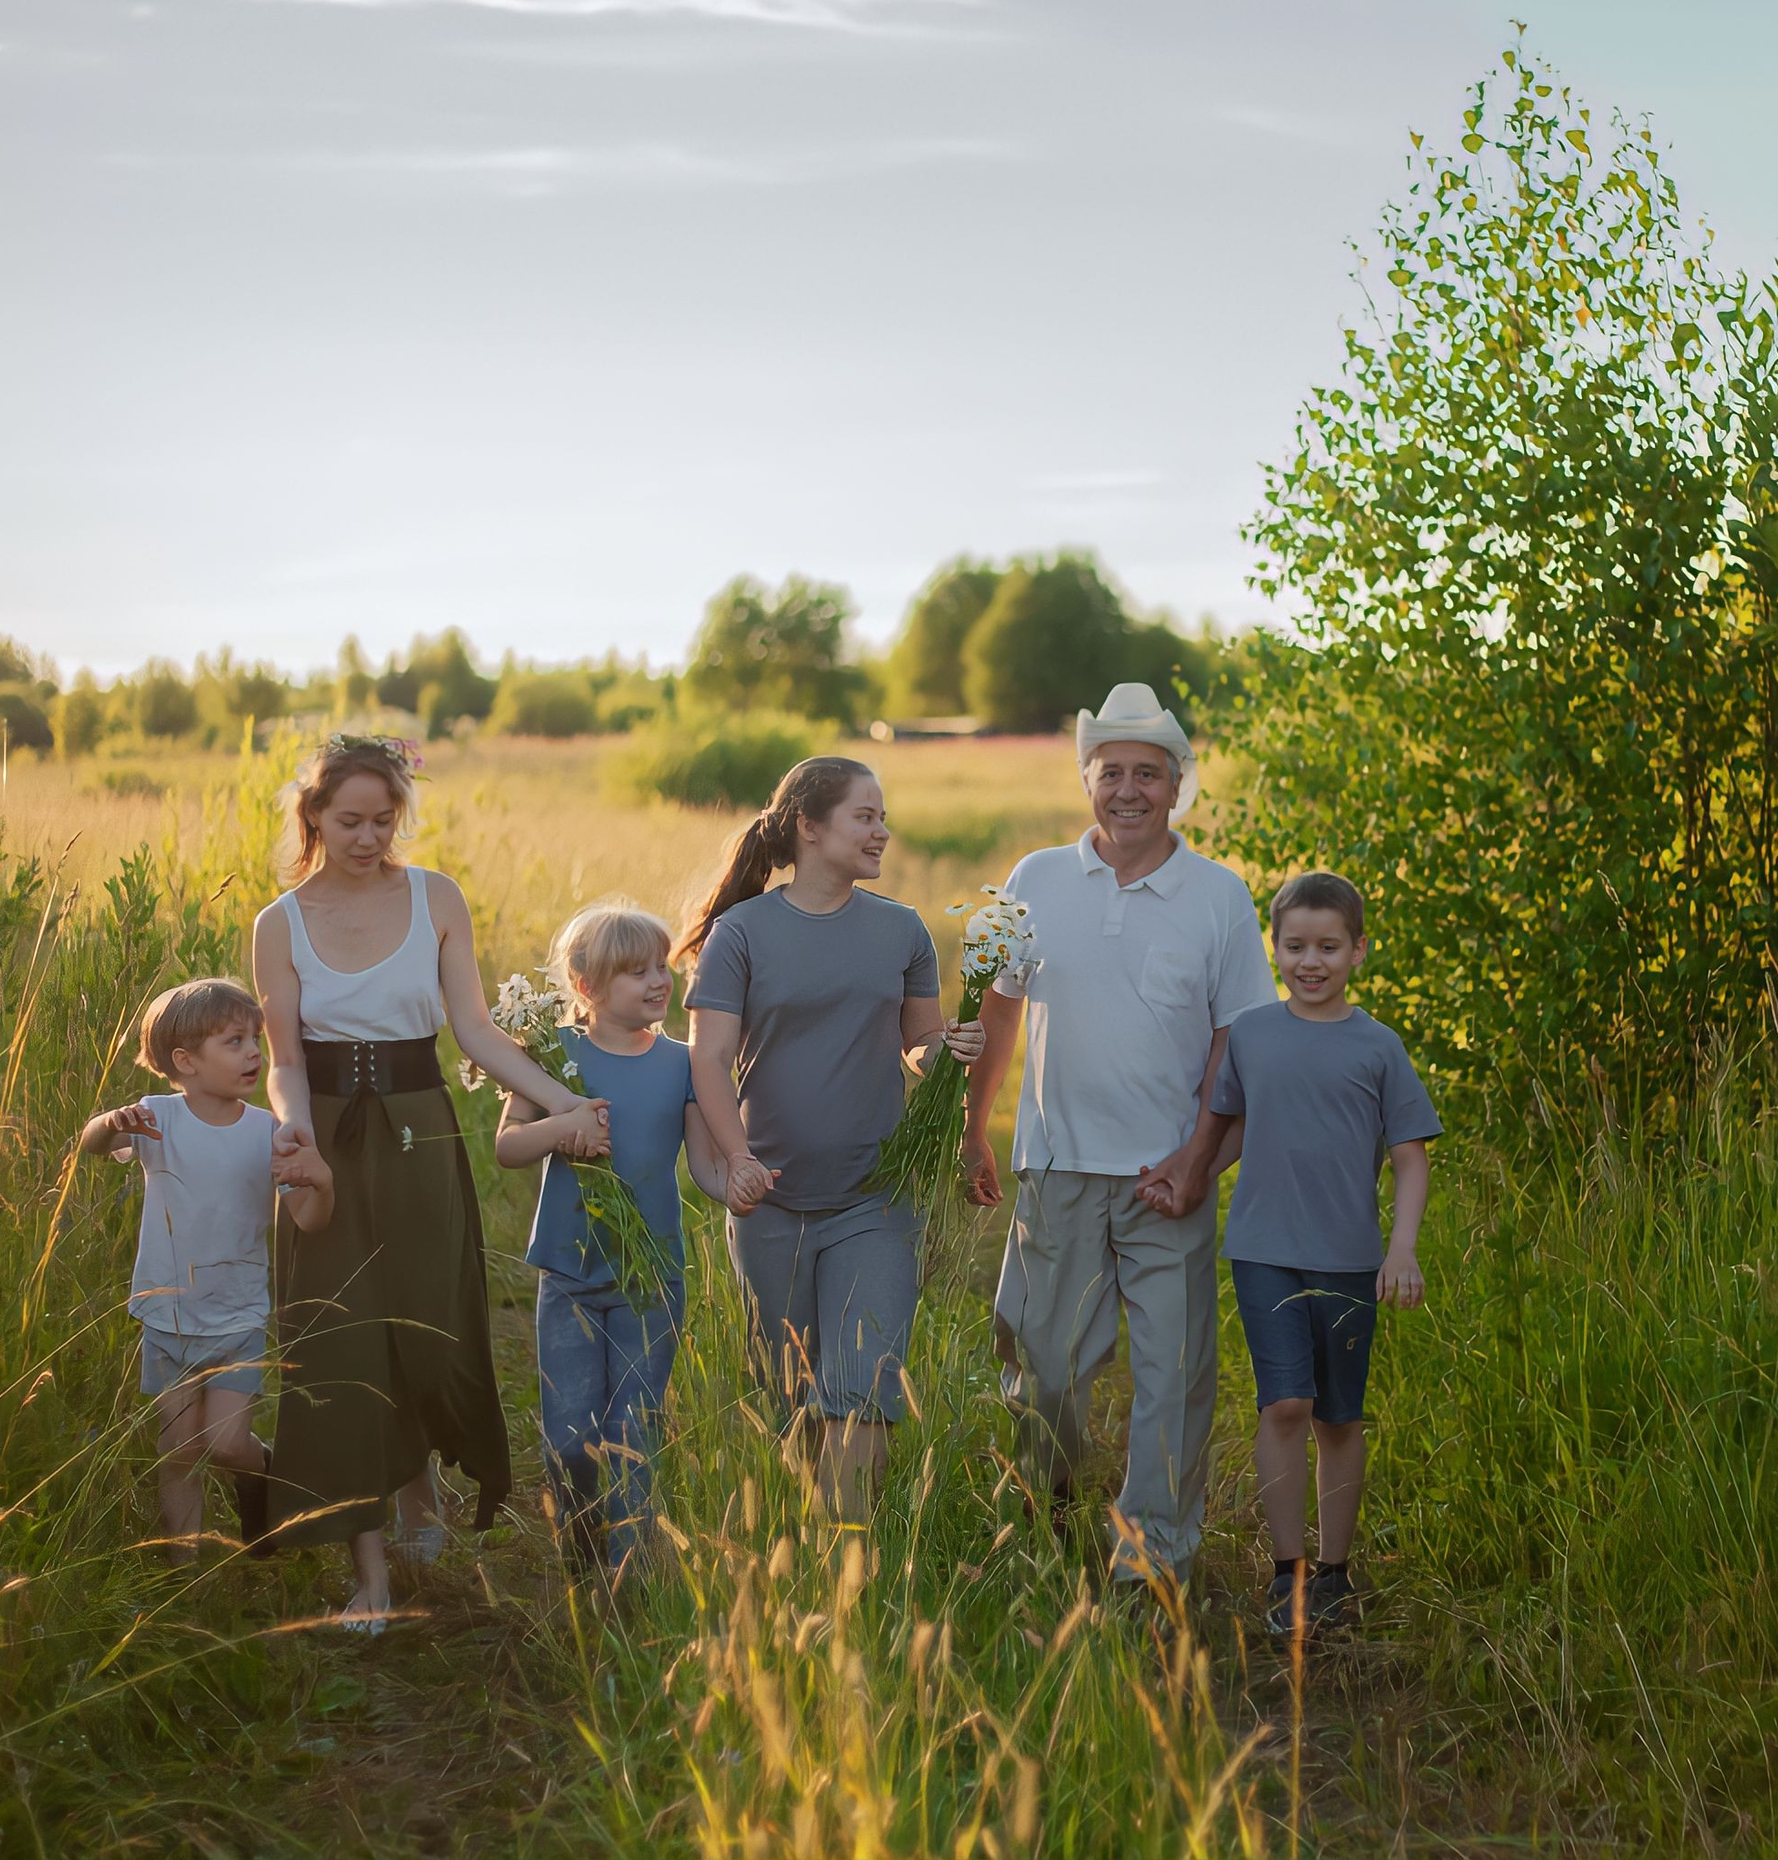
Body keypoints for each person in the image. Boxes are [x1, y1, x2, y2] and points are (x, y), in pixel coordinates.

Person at [253, 734, 609, 1634]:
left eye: (384, 820)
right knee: (338, 1332)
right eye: (350, 822)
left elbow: (476, 1033)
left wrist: (567, 1104)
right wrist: (295, 1133)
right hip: (325, 1136)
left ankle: (424, 1498)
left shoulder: (435, 897)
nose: (370, 837)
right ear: (313, 817)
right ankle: (365, 1571)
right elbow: (283, 1058)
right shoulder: (279, 922)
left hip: (418, 1126)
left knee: (422, 1317)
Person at [962, 681, 1276, 1590]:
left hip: (1166, 1176)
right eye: (1112, 773)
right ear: (1086, 781)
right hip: (1056, 1167)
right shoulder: (1035, 878)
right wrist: (978, 1126)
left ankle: (1152, 1566)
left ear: (1177, 786)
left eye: (1149, 773)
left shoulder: (1219, 897)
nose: (1129, 789)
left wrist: (1199, 1160)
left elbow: (1236, 1040)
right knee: (1045, 1371)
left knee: (1172, 1383)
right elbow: (999, 1006)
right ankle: (1051, 1505)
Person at [679, 756, 984, 1523]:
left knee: (862, 1391)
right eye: (866, 816)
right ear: (809, 828)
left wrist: (951, 1047)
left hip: (874, 1201)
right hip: (769, 1202)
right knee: (791, 1397)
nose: (883, 830)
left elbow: (918, 1045)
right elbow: (708, 1058)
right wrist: (736, 1161)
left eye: (884, 816)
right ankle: (809, 1563)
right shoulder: (740, 933)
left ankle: (845, 1567)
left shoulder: (902, 929)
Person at [1180, 870, 1439, 1634]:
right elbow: (1224, 1130)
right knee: (1286, 1402)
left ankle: (1335, 1571)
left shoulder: (1378, 1047)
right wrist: (1183, 1178)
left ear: (1359, 950)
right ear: (1277, 947)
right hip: (1264, 1249)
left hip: (1351, 1258)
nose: (1311, 961)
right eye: (1295, 946)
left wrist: (1403, 1250)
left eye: (1329, 946)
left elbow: (1412, 1157)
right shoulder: (1254, 1034)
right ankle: (1286, 1571)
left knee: (1338, 1417)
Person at [497, 903, 730, 1579]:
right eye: (636, 972)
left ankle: (629, 1575)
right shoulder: (551, 1054)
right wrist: (564, 1123)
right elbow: (509, 1146)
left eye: (661, 967)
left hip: (650, 1275)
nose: (658, 981)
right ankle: (579, 1552)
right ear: (586, 985)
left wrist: (738, 1183)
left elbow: (706, 1165)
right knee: (571, 1435)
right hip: (567, 1272)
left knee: (633, 1428)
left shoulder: (684, 1063)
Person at [78, 977, 334, 1565]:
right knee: (178, 1449)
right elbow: (92, 1144)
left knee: (224, 1442)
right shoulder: (155, 1119)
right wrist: (110, 1124)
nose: (253, 1053)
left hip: (238, 1314)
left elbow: (311, 1219)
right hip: (169, 1314)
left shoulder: (267, 1131)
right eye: (234, 1041)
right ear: (184, 1061)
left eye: (254, 1039)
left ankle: (259, 1473)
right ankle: (183, 1574)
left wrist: (322, 1183)